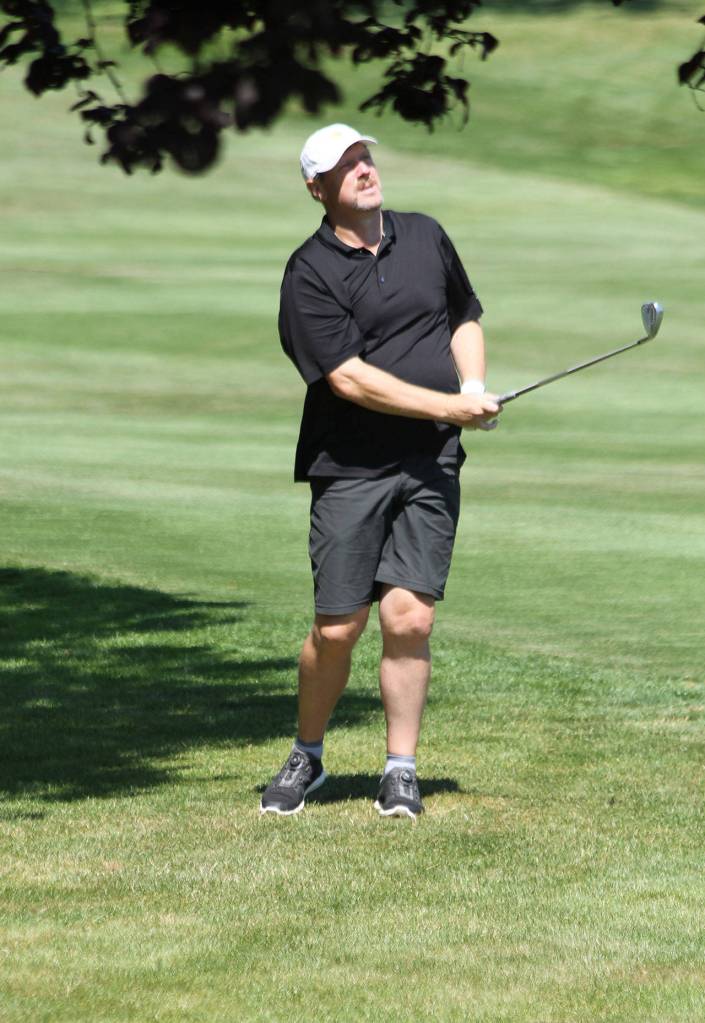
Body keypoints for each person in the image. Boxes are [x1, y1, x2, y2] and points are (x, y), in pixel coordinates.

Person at [260, 123, 501, 819]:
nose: (364, 170)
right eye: (347, 166)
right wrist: (450, 407)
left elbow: (462, 315)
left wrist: (471, 385)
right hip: (350, 466)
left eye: (365, 158)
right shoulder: (308, 272)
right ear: (318, 189)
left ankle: (400, 768)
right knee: (338, 628)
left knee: (409, 616)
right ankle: (308, 752)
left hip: (430, 459)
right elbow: (348, 379)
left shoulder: (424, 235)